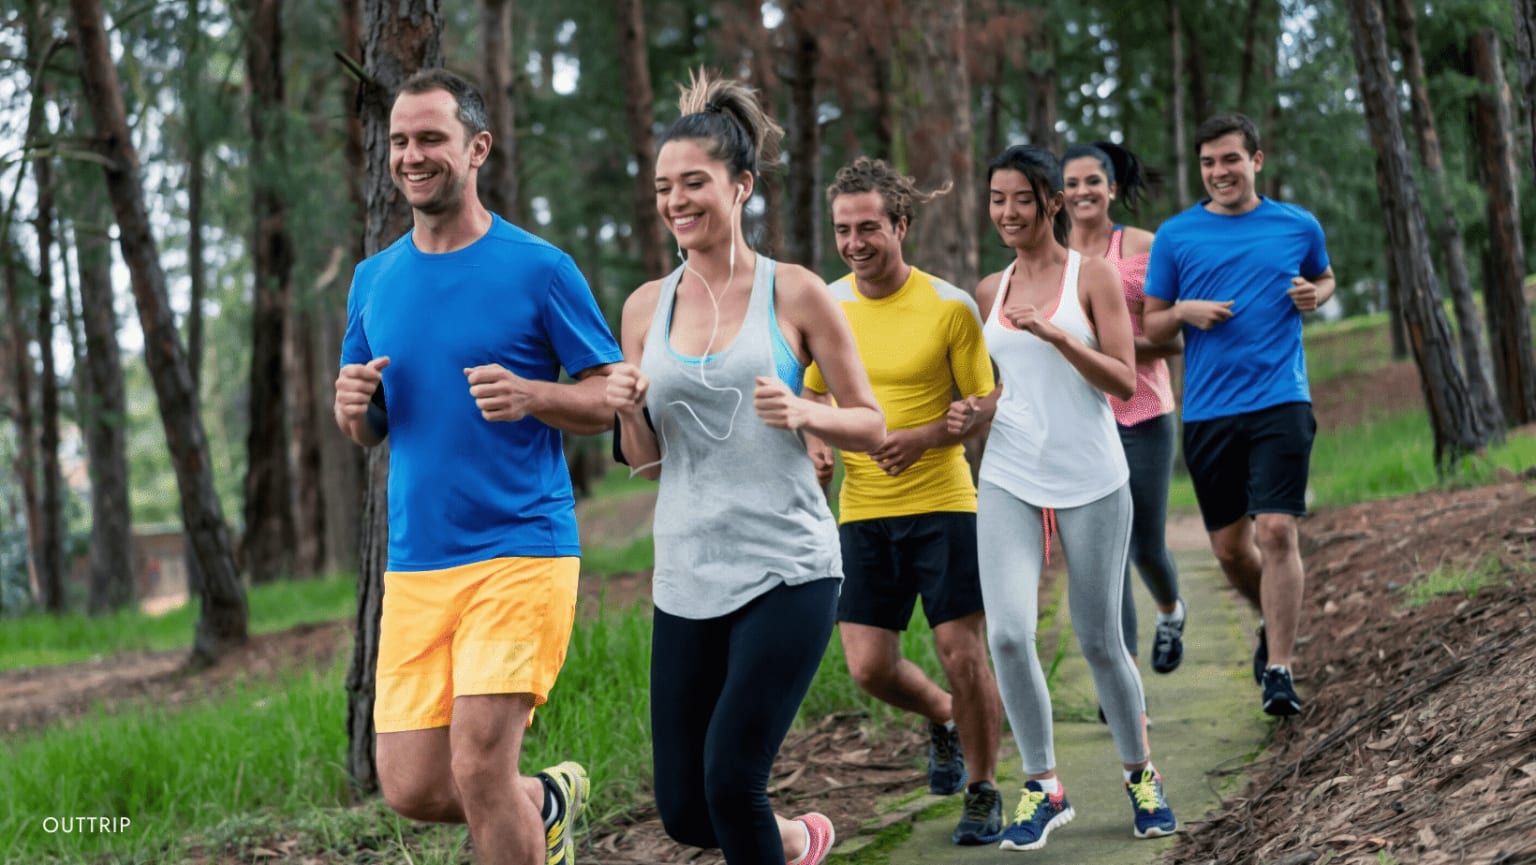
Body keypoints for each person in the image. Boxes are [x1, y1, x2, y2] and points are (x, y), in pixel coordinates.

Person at [334, 69, 620, 865]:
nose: (412, 155)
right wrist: (355, 411)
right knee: (414, 786)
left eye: (431, 138)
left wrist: (534, 393)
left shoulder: (540, 268)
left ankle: (521, 809)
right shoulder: (373, 279)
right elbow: (373, 424)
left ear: (476, 148)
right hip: (420, 562)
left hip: (521, 549)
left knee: (478, 763)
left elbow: (608, 398)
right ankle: (547, 800)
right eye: (399, 140)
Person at [604, 70, 884, 865]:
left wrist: (807, 411)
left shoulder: (794, 293)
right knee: (687, 811)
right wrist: (627, 405)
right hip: (688, 572)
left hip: (788, 566)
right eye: (664, 187)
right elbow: (647, 461)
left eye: (695, 182)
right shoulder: (643, 308)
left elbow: (870, 422)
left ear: (742, 186)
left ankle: (772, 833)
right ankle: (800, 839)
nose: (676, 200)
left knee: (732, 782)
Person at [948, 144, 1178, 851]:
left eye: (1021, 198)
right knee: (1010, 633)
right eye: (996, 199)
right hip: (1011, 471)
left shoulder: (1094, 276)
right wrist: (975, 412)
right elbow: (1005, 385)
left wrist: (1056, 335)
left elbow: (1120, 376)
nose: (1007, 213)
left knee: (1101, 638)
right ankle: (1044, 784)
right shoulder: (991, 287)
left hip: (1091, 474)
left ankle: (1141, 774)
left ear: (1050, 202)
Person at [801, 157, 1005, 845]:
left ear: (901, 225)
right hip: (862, 507)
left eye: (869, 228)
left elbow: (983, 402)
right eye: (842, 230)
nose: (855, 243)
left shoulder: (949, 305)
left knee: (960, 648)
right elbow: (812, 389)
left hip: (944, 498)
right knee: (868, 665)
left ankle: (983, 786)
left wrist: (921, 436)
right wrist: (816, 441)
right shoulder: (827, 305)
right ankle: (946, 716)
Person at [1142, 113, 1335, 717]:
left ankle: (1279, 668)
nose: (1220, 172)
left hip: (1281, 398)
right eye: (1208, 163)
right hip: (1209, 410)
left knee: (1276, 530)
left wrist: (1316, 295)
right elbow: (1151, 321)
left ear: (1257, 160)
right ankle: (1268, 624)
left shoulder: (1297, 224)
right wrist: (1185, 312)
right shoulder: (1177, 235)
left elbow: (1324, 277)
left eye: (1230, 159)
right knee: (1229, 549)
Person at [1062, 142, 1187, 679]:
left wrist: (1105, 350)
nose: (1082, 192)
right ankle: (1124, 684)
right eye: (1071, 183)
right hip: (1080, 419)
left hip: (1143, 414)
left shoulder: (1144, 246)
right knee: (1103, 556)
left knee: (1144, 546)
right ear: (1059, 194)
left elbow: (1172, 339)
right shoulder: (1052, 256)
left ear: (1112, 188)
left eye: (1094, 181)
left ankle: (1171, 610)